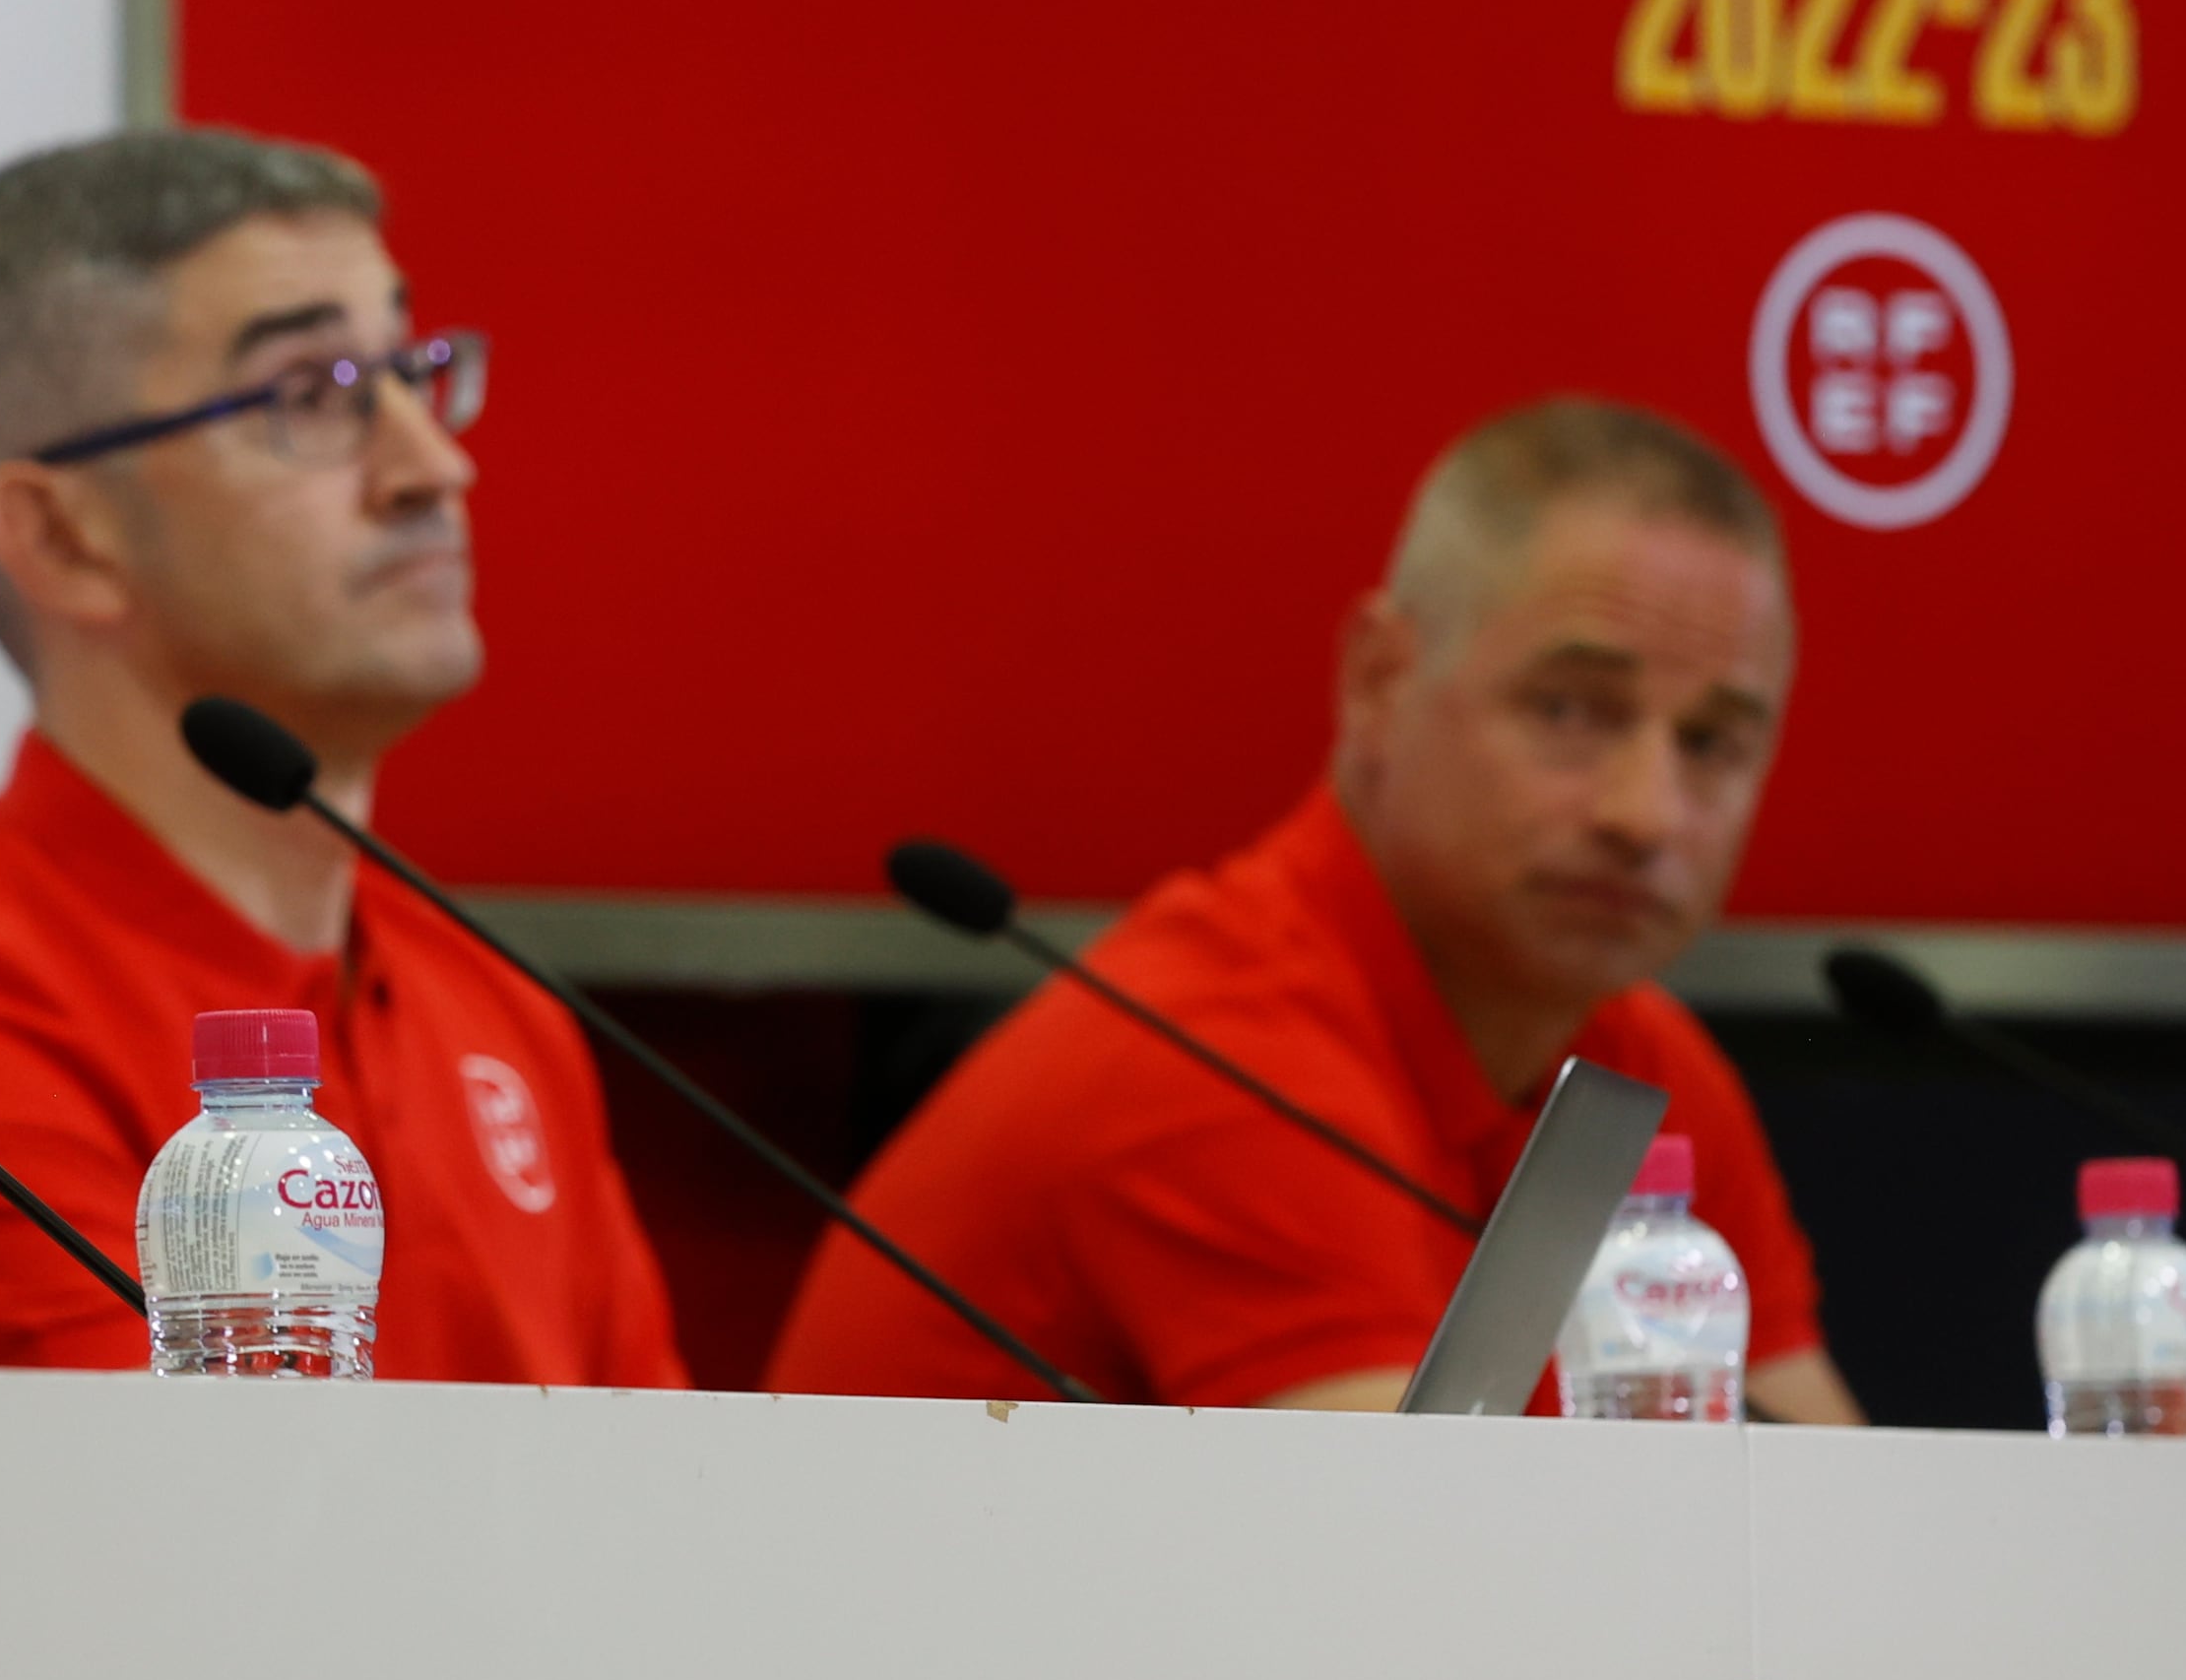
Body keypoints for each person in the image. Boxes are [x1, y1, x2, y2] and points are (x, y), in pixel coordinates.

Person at [0, 130, 683, 1383]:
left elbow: (655, 1534)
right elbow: (202, 1573)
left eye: (411, 372)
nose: (434, 466)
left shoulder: (494, 1012)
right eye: (313, 395)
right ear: (63, 537)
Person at [770, 399, 1859, 1418]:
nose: (1644, 812)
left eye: (1710, 743)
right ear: (1378, 679)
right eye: (1570, 709)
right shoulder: (1210, 1054)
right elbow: (1420, 1580)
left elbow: (1833, 1535)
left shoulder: (1638, 1067)